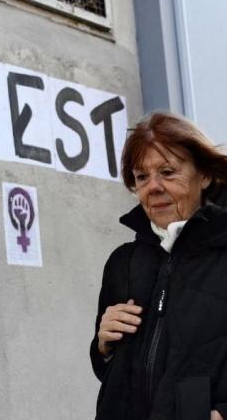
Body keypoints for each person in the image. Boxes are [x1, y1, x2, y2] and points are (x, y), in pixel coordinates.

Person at [91, 112, 227, 419]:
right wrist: (103, 345)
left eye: (167, 172)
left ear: (204, 175)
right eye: (142, 177)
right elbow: (108, 371)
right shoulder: (122, 262)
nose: (153, 187)